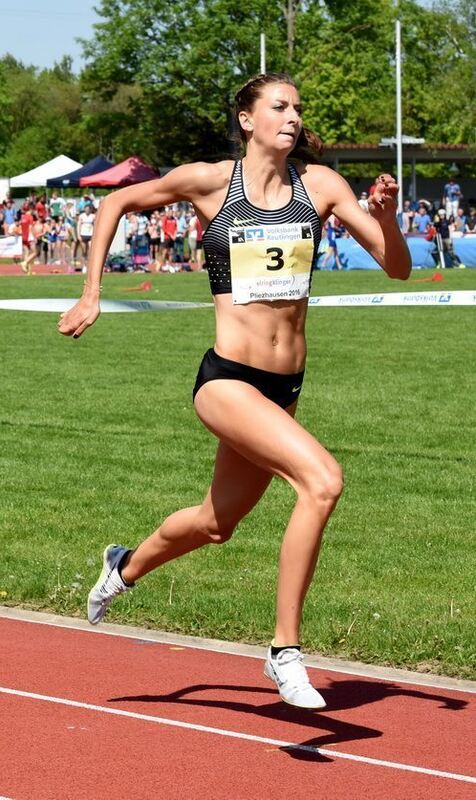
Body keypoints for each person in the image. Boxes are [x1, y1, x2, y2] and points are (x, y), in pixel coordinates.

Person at [59, 73, 410, 710]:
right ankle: (285, 650)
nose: (293, 118)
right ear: (247, 120)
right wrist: (92, 293)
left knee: (218, 523)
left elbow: (398, 266)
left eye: (298, 108)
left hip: (285, 386)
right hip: (226, 381)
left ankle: (124, 564)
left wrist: (385, 217)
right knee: (322, 481)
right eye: (279, 107)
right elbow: (114, 204)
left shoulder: (321, 187)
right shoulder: (213, 182)